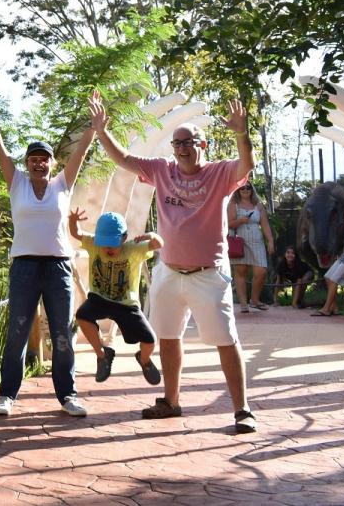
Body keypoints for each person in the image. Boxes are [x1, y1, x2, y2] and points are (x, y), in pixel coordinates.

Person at [88, 90, 259, 434]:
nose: (182, 148)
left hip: (209, 274)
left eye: (188, 142)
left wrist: (242, 133)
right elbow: (124, 159)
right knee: (167, 336)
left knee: (226, 339)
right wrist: (101, 131)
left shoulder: (220, 173)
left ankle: (242, 409)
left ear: (203, 145)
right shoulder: (161, 170)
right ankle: (171, 401)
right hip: (168, 271)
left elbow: (247, 165)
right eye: (177, 143)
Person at [0, 87, 94, 419]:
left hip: (58, 268)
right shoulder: (16, 183)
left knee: (62, 332)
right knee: (17, 331)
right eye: (33, 159)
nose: (39, 163)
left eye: (44, 159)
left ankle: (68, 395)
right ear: (27, 164)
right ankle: (6, 395)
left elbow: (81, 153)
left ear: (52, 163)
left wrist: (93, 127)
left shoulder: (62, 184)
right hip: (24, 267)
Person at [67, 208, 163, 386]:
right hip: (99, 299)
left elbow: (159, 244)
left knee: (150, 341)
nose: (108, 248)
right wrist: (73, 220)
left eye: (112, 244)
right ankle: (102, 355)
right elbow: (76, 233)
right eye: (104, 243)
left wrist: (149, 235)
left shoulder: (133, 249)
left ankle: (144, 360)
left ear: (124, 238)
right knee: (82, 315)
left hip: (126, 305)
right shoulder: (94, 244)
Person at [227, 183, 275, 313]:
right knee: (241, 271)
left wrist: (270, 240)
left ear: (252, 190)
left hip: (257, 240)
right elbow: (228, 224)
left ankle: (254, 300)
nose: (245, 190)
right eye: (242, 188)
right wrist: (241, 221)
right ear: (237, 190)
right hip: (239, 240)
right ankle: (243, 304)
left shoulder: (258, 205)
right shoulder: (233, 204)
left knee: (261, 271)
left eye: (248, 187)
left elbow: (265, 224)